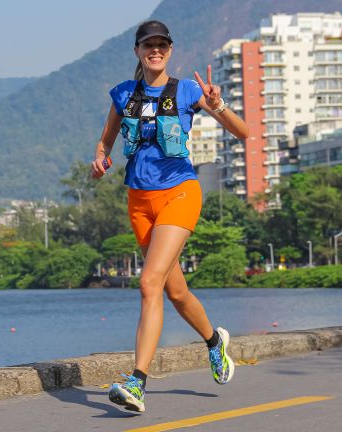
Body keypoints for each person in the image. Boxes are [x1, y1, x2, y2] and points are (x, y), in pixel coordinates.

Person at [90, 20, 249, 413]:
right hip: (139, 202)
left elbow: (243, 133)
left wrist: (219, 107)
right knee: (174, 291)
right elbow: (106, 139)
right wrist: (100, 159)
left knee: (148, 283)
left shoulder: (187, 91)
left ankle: (137, 382)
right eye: (148, 45)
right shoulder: (123, 94)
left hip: (180, 193)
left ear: (170, 50)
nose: (155, 51)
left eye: (162, 45)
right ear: (138, 51)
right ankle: (215, 343)